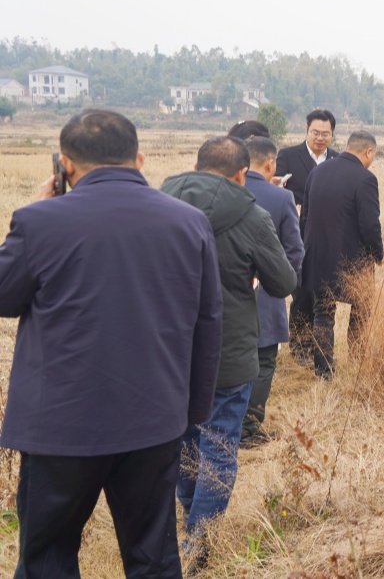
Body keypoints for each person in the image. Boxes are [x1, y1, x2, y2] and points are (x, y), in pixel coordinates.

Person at [0, 109, 223, 578]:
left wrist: (35, 211)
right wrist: (191, 411)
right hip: (154, 418)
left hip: (60, 425)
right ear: (139, 158)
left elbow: (5, 295)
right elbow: (208, 323)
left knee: (47, 557)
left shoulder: (39, 222)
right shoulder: (189, 222)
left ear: (64, 164)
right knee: (153, 558)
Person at [161, 136, 296, 566]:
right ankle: (200, 542)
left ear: (196, 165)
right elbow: (283, 283)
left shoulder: (159, 204)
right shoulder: (253, 216)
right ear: (242, 175)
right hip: (228, 350)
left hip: (169, 349)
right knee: (219, 445)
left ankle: (188, 516)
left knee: (183, 440)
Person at [300, 130, 384, 378]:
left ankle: (323, 370)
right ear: (368, 152)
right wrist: (379, 253)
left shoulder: (318, 171)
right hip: (353, 262)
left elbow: (304, 216)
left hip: (317, 257)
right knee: (359, 314)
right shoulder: (365, 178)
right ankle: (357, 364)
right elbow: (370, 224)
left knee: (322, 315)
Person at [240, 136, 304, 449]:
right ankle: (250, 427)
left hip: (222, 292)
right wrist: (280, 281)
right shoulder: (281, 199)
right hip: (266, 291)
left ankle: (224, 423)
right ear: (270, 163)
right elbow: (294, 251)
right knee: (264, 360)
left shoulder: (226, 190)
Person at [276, 109, 339, 364]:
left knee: (323, 294)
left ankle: (319, 347)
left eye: (326, 134)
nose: (320, 138)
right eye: (316, 132)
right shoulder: (289, 156)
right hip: (297, 237)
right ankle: (299, 348)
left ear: (332, 134)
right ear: (306, 130)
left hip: (327, 239)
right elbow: (278, 187)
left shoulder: (337, 159)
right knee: (301, 293)